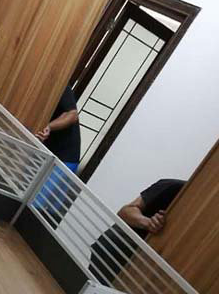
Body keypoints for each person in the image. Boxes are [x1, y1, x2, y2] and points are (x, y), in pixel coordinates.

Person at [89, 179, 186, 286]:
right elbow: (125, 211)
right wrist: (148, 222)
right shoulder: (173, 186)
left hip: (144, 263)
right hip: (116, 248)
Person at [33, 85, 81, 215]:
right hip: (47, 153)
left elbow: (72, 115)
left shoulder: (62, 86)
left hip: (65, 158)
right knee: (33, 202)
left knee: (37, 207)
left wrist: (49, 127)